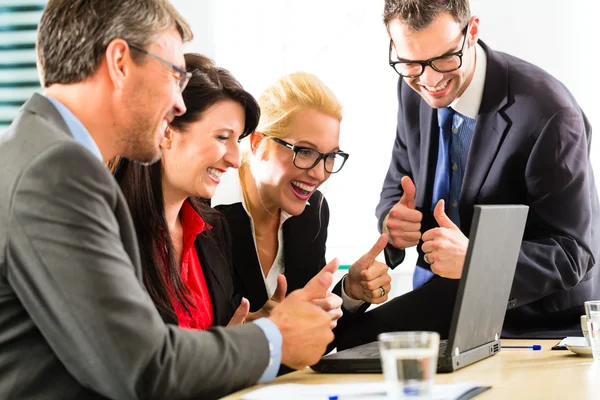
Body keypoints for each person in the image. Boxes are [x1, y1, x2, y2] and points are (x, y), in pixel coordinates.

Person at [0, 1, 337, 399]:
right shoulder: (58, 168)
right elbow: (141, 365)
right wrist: (276, 338)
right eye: (173, 75)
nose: (178, 104)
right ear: (120, 62)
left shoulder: (39, 151)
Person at [368, 0, 600, 341]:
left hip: (533, 327)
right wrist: (393, 220)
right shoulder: (410, 87)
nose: (430, 80)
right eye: (411, 63)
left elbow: (573, 253)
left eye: (446, 58)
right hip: (439, 308)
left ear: (472, 31)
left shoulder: (550, 112)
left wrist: (478, 262)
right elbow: (399, 181)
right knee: (338, 345)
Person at [110, 53, 286, 330]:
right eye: (222, 137)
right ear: (166, 130)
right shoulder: (108, 231)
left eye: (236, 141)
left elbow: (218, 338)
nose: (234, 159)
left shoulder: (214, 230)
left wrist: (253, 332)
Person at [214, 72, 392, 343]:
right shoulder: (205, 210)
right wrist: (250, 334)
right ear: (258, 143)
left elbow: (310, 335)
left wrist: (351, 292)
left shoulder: (313, 211)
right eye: (305, 151)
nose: (320, 174)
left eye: (330, 156)